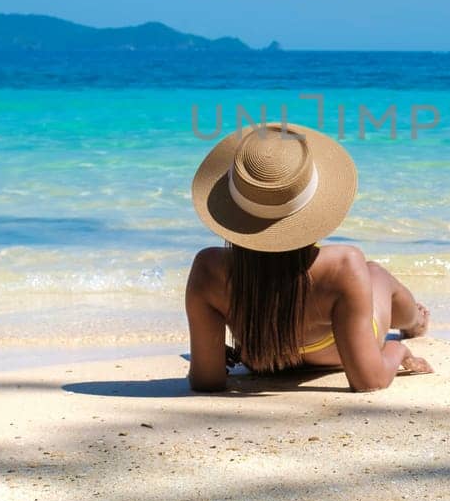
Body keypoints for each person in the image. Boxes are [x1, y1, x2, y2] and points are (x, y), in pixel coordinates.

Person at [185, 121, 432, 392]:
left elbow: (206, 381)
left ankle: (415, 320)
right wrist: (397, 348)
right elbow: (368, 380)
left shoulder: (208, 269)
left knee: (368, 274)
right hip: (339, 353)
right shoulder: (342, 265)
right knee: (375, 274)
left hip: (265, 358)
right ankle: (415, 322)